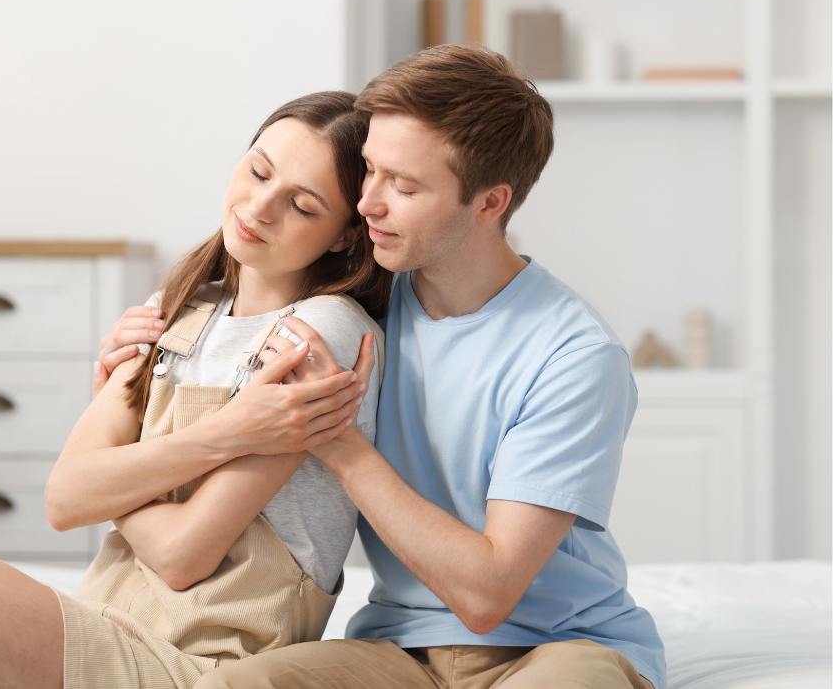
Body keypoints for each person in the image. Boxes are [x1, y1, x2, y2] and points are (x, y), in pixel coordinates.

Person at [99, 45, 667, 689]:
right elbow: (228, 330)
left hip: (560, 646)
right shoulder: (357, 306)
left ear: (489, 203)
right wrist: (140, 357)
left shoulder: (572, 357)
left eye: (404, 185)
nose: (367, 203)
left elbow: (486, 598)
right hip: (398, 652)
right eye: (369, 170)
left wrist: (342, 448)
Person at [0, 91, 393, 688]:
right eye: (257, 170)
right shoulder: (176, 309)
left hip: (203, 664)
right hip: (104, 620)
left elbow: (181, 557)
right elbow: (65, 499)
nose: (259, 206)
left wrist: (112, 478)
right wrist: (228, 431)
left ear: (345, 236)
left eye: (302, 206)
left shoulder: (321, 335)